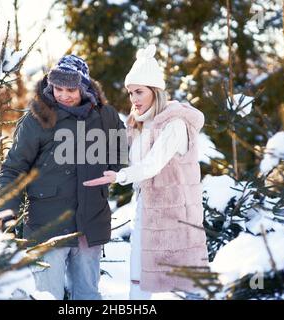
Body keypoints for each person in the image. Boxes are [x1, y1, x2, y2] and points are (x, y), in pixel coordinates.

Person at [0, 54, 127, 300]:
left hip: (91, 221)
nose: (64, 95)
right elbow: (14, 168)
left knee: (88, 294)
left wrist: (109, 171)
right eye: (58, 88)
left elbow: (120, 155)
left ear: (85, 86)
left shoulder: (106, 116)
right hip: (48, 226)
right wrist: (7, 212)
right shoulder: (37, 119)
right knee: (48, 295)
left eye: (71, 89)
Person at [83, 44, 208, 299]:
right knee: (139, 278)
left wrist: (119, 177)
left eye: (139, 92)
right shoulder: (138, 125)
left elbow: (152, 165)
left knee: (188, 282)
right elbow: (120, 154)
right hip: (145, 208)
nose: (134, 99)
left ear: (155, 91)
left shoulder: (175, 124)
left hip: (176, 214)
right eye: (130, 93)